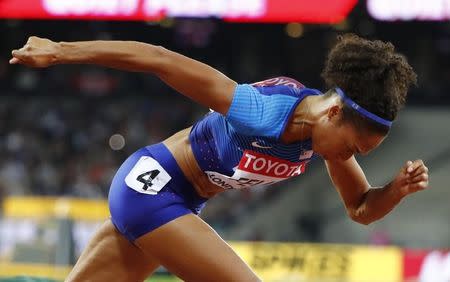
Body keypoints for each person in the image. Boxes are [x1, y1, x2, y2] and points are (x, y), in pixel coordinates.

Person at [9, 34, 429, 282]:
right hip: (151, 189)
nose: (348, 158)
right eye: (352, 148)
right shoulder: (260, 110)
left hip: (179, 204)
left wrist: (396, 189)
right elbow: (161, 60)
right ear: (334, 112)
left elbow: (359, 208)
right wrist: (61, 51)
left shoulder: (322, 138)